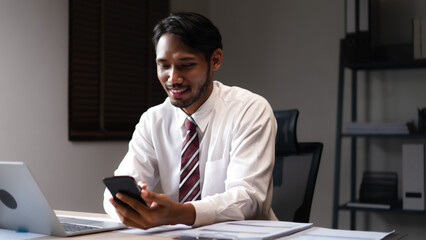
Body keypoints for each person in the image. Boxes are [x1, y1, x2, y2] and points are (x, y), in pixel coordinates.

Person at [103, 12, 277, 229]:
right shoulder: (153, 120)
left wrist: (180, 213)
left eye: (186, 65)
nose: (173, 78)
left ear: (215, 60)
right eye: (164, 65)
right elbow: (114, 193)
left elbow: (249, 199)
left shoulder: (250, 110)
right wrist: (132, 206)